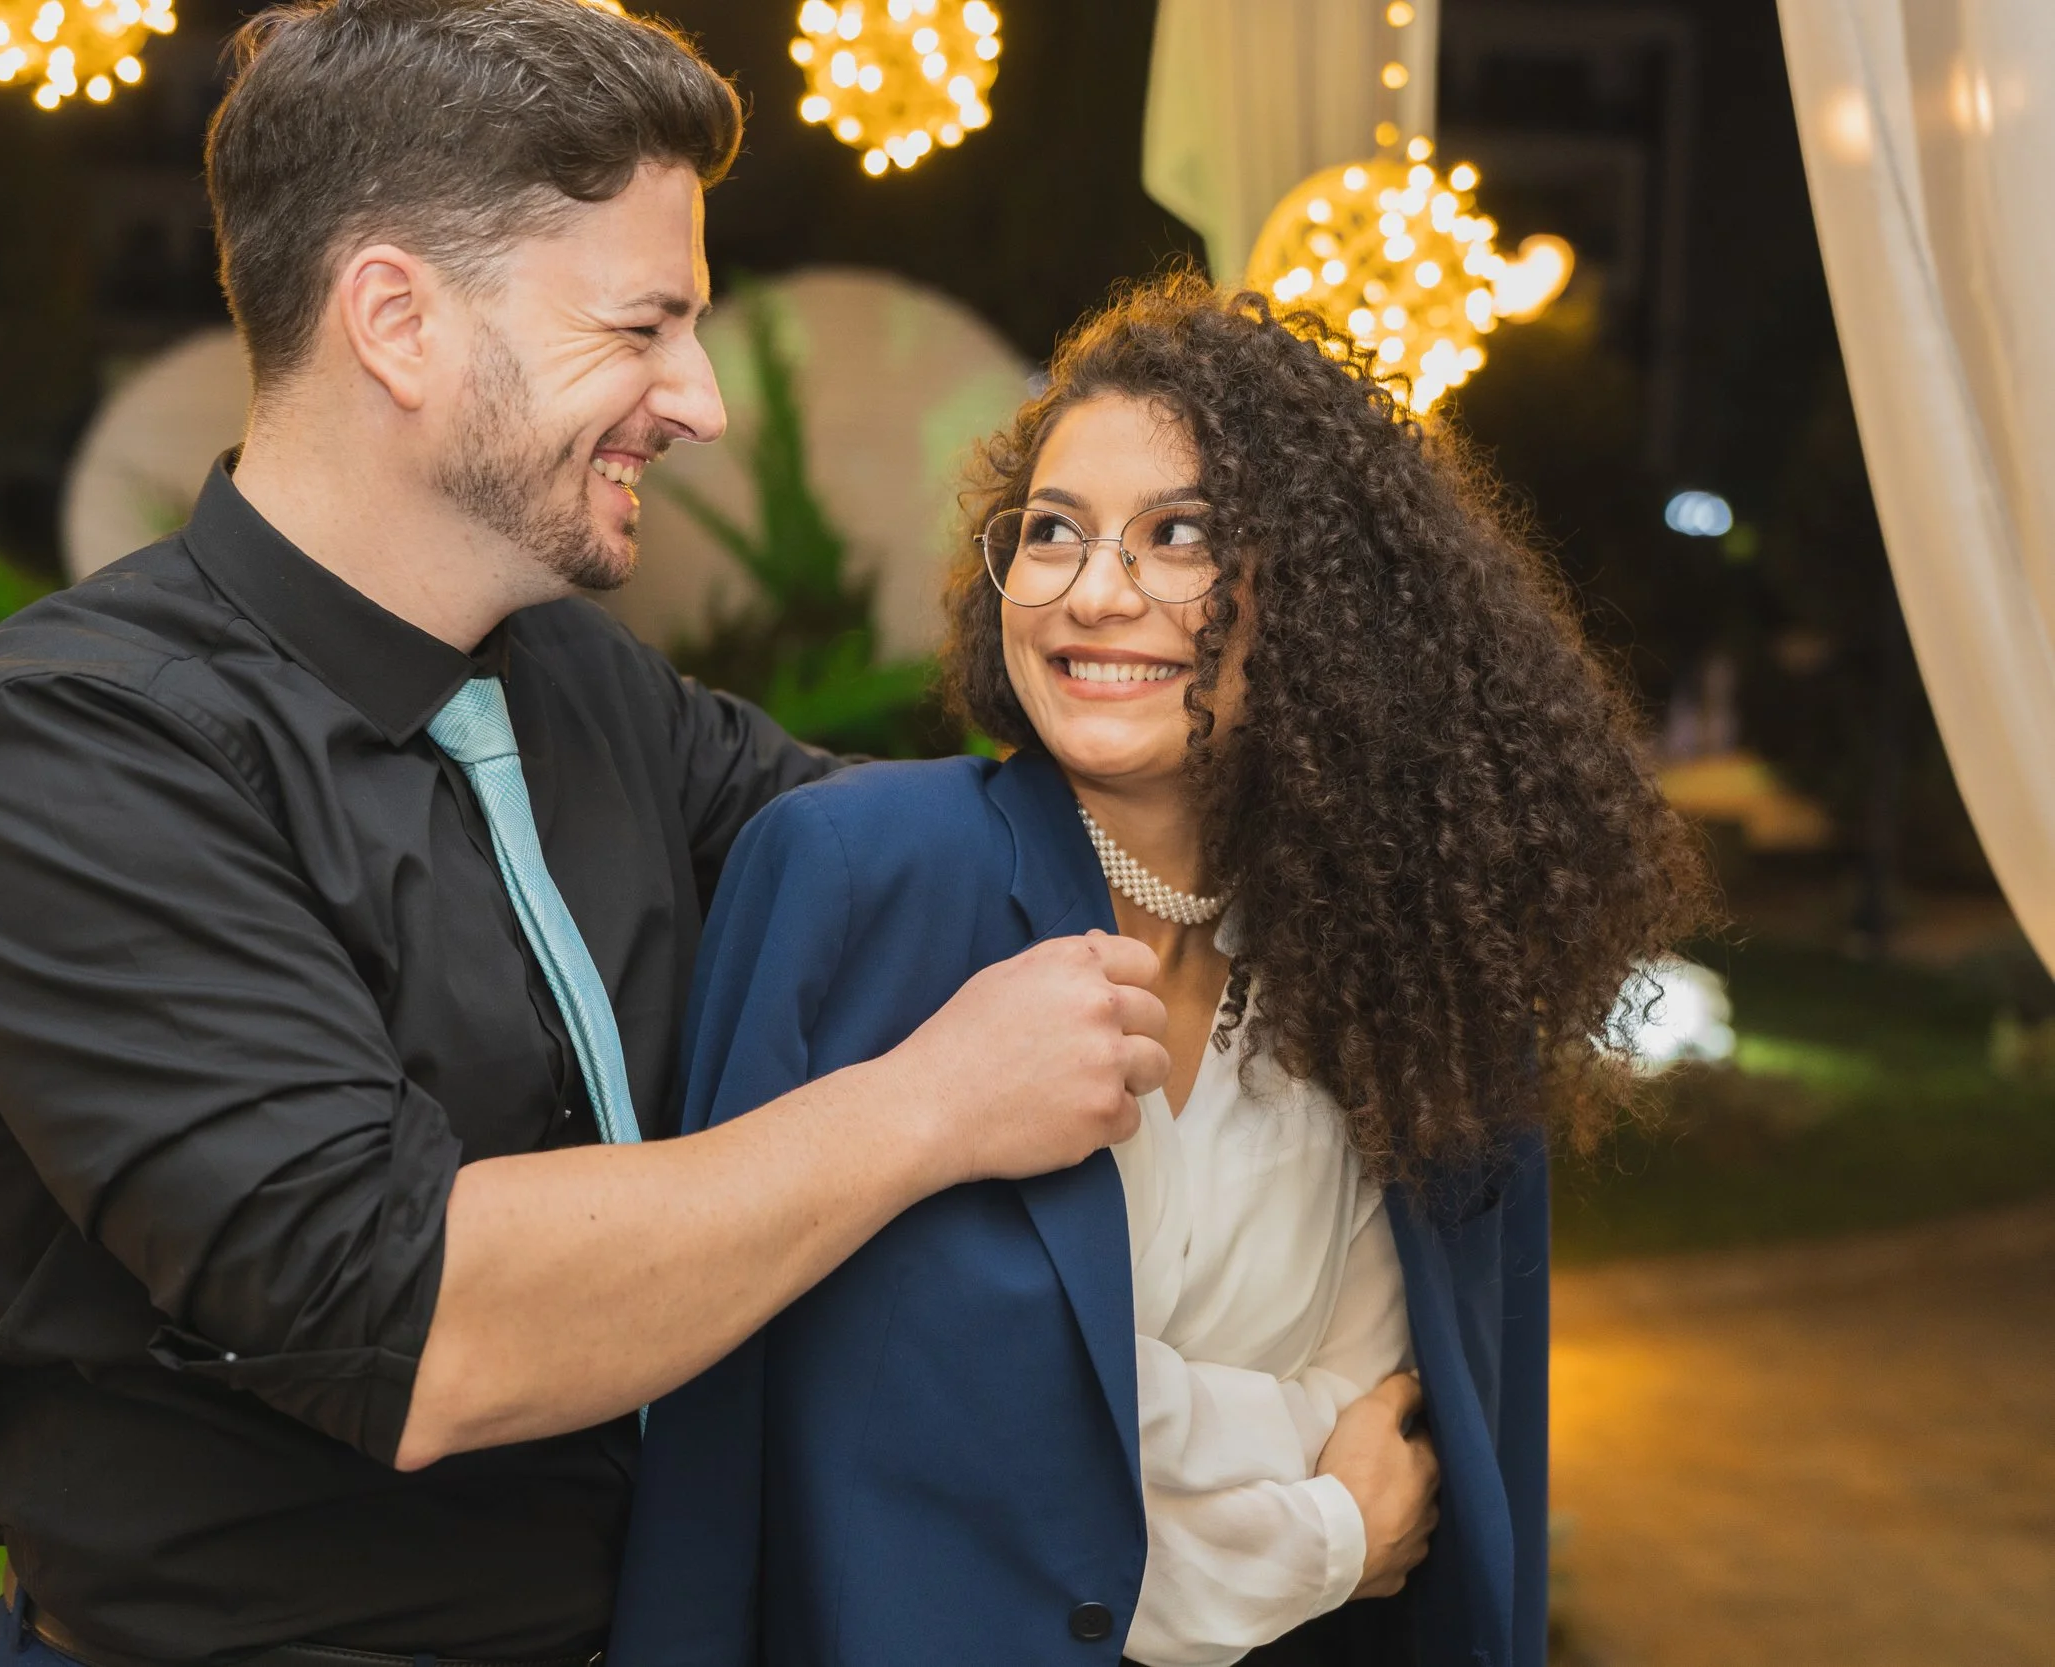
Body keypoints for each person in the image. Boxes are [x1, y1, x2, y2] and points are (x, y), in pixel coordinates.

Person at [0, 6, 1174, 1666]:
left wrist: (1147, 679)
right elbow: (416, 1324)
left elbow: (920, 860)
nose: (698, 400)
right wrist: (929, 1110)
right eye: (644, 327)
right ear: (400, 323)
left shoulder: (576, 680)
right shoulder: (69, 751)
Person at [610, 276, 1710, 1667]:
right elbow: (820, 1431)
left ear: (1317, 596)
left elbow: (1426, 1438)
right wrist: (1318, 1527)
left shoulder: (1423, 963)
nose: (1093, 592)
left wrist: (1146, 1447)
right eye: (1053, 533)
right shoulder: (856, 881)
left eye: (1178, 536)